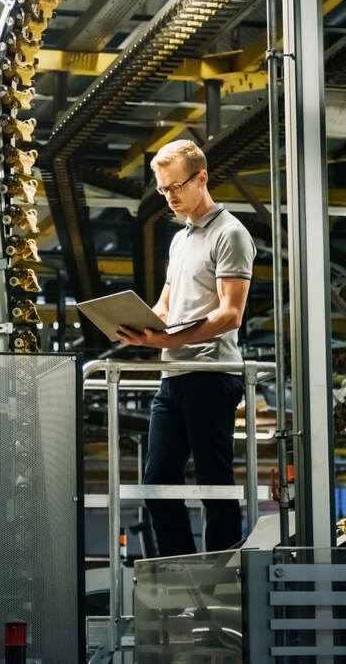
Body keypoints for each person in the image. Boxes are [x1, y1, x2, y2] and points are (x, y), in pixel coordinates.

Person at [117, 139, 256, 557]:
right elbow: (166, 305)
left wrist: (166, 339)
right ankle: (178, 569)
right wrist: (135, 324)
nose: (170, 197)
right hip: (174, 374)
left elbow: (231, 314)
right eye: (162, 190)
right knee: (158, 478)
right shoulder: (180, 240)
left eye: (175, 187)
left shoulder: (230, 234)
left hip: (212, 376)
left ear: (202, 178)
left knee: (214, 483)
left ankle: (222, 576)